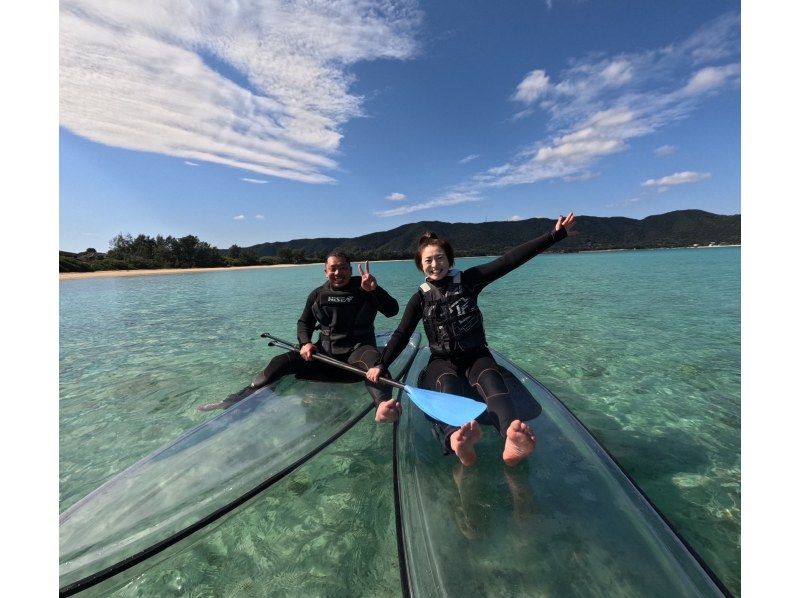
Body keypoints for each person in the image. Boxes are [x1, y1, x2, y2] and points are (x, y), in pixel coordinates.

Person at [367, 213, 577, 465]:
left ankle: (511, 436)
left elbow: (509, 260)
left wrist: (554, 236)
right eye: (428, 260)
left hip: (476, 354)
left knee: (491, 379)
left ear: (449, 260)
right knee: (447, 386)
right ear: (420, 265)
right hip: (442, 361)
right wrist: (382, 363)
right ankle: (456, 439)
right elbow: (401, 334)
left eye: (440, 258)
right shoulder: (419, 298)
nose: (435, 265)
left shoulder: (469, 281)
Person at [199, 253, 403, 423]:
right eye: (333, 268)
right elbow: (304, 323)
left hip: (357, 352)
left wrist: (375, 291)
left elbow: (392, 310)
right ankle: (238, 399)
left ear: (350, 269)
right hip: (324, 355)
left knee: (376, 365)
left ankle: (383, 406)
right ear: (325, 271)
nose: (338, 273)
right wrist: (305, 343)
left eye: (342, 268)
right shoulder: (317, 294)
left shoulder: (365, 287)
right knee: (281, 361)